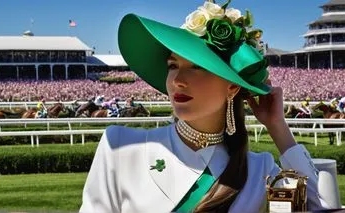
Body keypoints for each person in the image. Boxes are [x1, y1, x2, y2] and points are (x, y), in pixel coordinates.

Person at [80, 2, 329, 213]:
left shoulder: (260, 170)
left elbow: (316, 207)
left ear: (232, 86)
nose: (177, 79)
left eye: (197, 67)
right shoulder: (120, 146)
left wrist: (278, 127)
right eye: (172, 65)